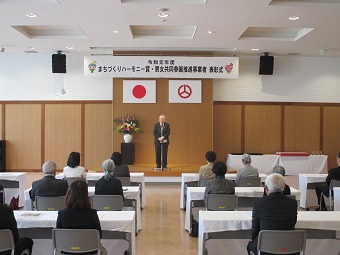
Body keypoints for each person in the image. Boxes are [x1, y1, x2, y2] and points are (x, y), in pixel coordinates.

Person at [247, 173, 298, 255]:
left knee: (250, 245)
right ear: (284, 187)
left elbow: (255, 227)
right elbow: (293, 222)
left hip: (265, 248)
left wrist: (253, 240)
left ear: (266, 188)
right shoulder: (293, 203)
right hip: (288, 247)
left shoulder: (258, 203)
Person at [56, 180, 107, 255]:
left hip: (68, 251)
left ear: (69, 195)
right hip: (90, 251)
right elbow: (99, 235)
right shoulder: (92, 213)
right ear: (86, 196)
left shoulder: (62, 214)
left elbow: (59, 235)